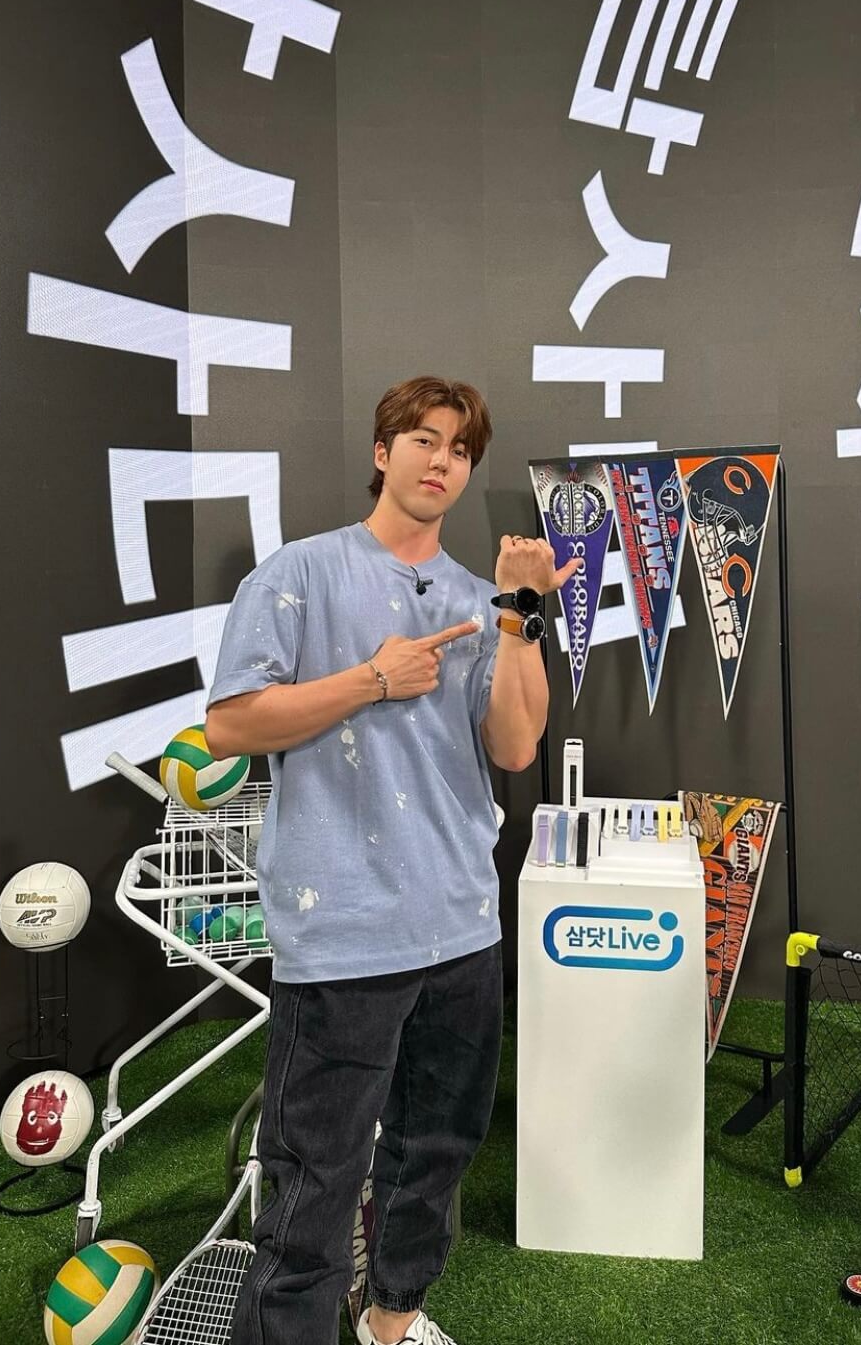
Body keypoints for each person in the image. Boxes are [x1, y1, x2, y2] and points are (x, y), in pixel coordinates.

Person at [205, 376, 581, 1345]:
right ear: (383, 452)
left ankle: (391, 1319)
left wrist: (519, 610)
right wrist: (373, 677)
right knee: (315, 1176)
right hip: (343, 928)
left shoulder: (476, 600)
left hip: (459, 922)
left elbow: (515, 747)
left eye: (459, 448)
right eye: (422, 438)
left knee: (434, 1151)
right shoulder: (300, 571)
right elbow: (231, 725)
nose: (440, 460)